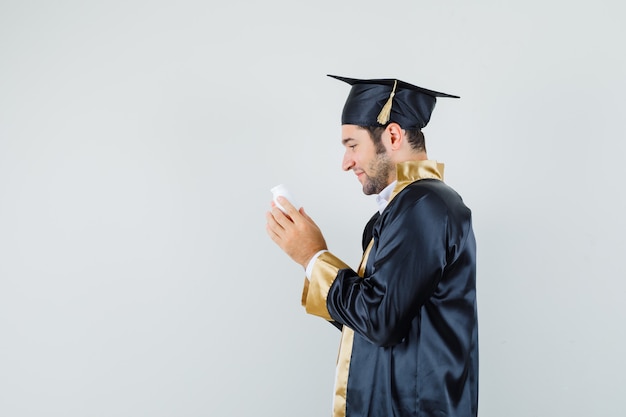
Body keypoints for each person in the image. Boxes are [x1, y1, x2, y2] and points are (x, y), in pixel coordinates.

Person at [265, 74, 478, 417]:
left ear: (392, 135)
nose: (346, 162)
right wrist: (311, 259)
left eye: (352, 145)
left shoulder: (424, 205)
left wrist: (313, 257)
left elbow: (381, 320)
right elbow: (375, 319)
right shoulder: (406, 208)